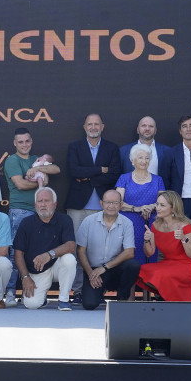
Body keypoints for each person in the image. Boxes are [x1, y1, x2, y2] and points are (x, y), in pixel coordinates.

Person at [65, 113, 122, 305]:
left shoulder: (112, 148)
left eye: (96, 124)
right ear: (84, 127)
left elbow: (113, 175)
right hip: (78, 207)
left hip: (103, 208)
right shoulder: (74, 146)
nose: (93, 127)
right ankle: (78, 290)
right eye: (90, 124)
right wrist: (100, 169)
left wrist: (87, 175)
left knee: (99, 251)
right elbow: (74, 171)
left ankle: (98, 289)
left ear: (102, 126)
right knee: (76, 249)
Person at [3, 127, 60, 306]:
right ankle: (10, 292)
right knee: (15, 253)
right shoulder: (12, 160)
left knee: (37, 252)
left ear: (31, 141)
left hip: (40, 211)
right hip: (19, 211)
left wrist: (40, 169)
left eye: (27, 141)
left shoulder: (37, 160)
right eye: (20, 142)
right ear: (14, 143)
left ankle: (36, 293)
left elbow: (53, 172)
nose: (24, 144)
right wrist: (37, 181)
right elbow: (20, 184)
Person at [75, 190, 140, 310]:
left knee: (133, 265)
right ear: (101, 203)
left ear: (121, 205)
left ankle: (122, 297)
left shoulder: (127, 223)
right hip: (93, 271)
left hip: (114, 269)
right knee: (89, 304)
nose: (111, 206)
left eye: (115, 203)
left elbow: (129, 252)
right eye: (108, 202)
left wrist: (104, 268)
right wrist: (90, 274)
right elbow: (80, 251)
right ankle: (99, 292)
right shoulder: (88, 221)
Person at [13, 187, 76, 310]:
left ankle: (63, 299)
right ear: (35, 204)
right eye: (39, 201)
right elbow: (18, 253)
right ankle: (42, 299)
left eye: (47, 201)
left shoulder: (65, 220)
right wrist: (25, 277)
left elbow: (71, 245)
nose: (43, 204)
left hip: (57, 266)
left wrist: (49, 254)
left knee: (69, 259)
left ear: (55, 204)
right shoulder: (26, 223)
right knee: (31, 304)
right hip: (37, 271)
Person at [136, 191, 191, 305]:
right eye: (157, 204)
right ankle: (164, 296)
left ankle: (165, 298)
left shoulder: (184, 225)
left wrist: (184, 238)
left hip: (188, 266)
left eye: (162, 205)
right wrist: (146, 240)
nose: (158, 208)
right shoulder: (155, 225)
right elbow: (149, 253)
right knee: (140, 270)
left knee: (160, 274)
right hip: (168, 263)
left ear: (173, 208)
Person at [116, 143, 165, 265]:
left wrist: (151, 207)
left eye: (147, 158)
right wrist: (138, 209)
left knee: (151, 257)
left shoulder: (158, 180)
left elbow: (163, 201)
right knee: (131, 260)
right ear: (132, 161)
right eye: (140, 157)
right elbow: (118, 202)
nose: (144, 161)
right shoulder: (124, 179)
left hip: (152, 223)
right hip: (128, 225)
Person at [160, 114, 191, 233]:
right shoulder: (170, 153)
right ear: (180, 131)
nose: (188, 129)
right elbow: (165, 180)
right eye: (184, 126)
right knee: (178, 239)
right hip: (179, 203)